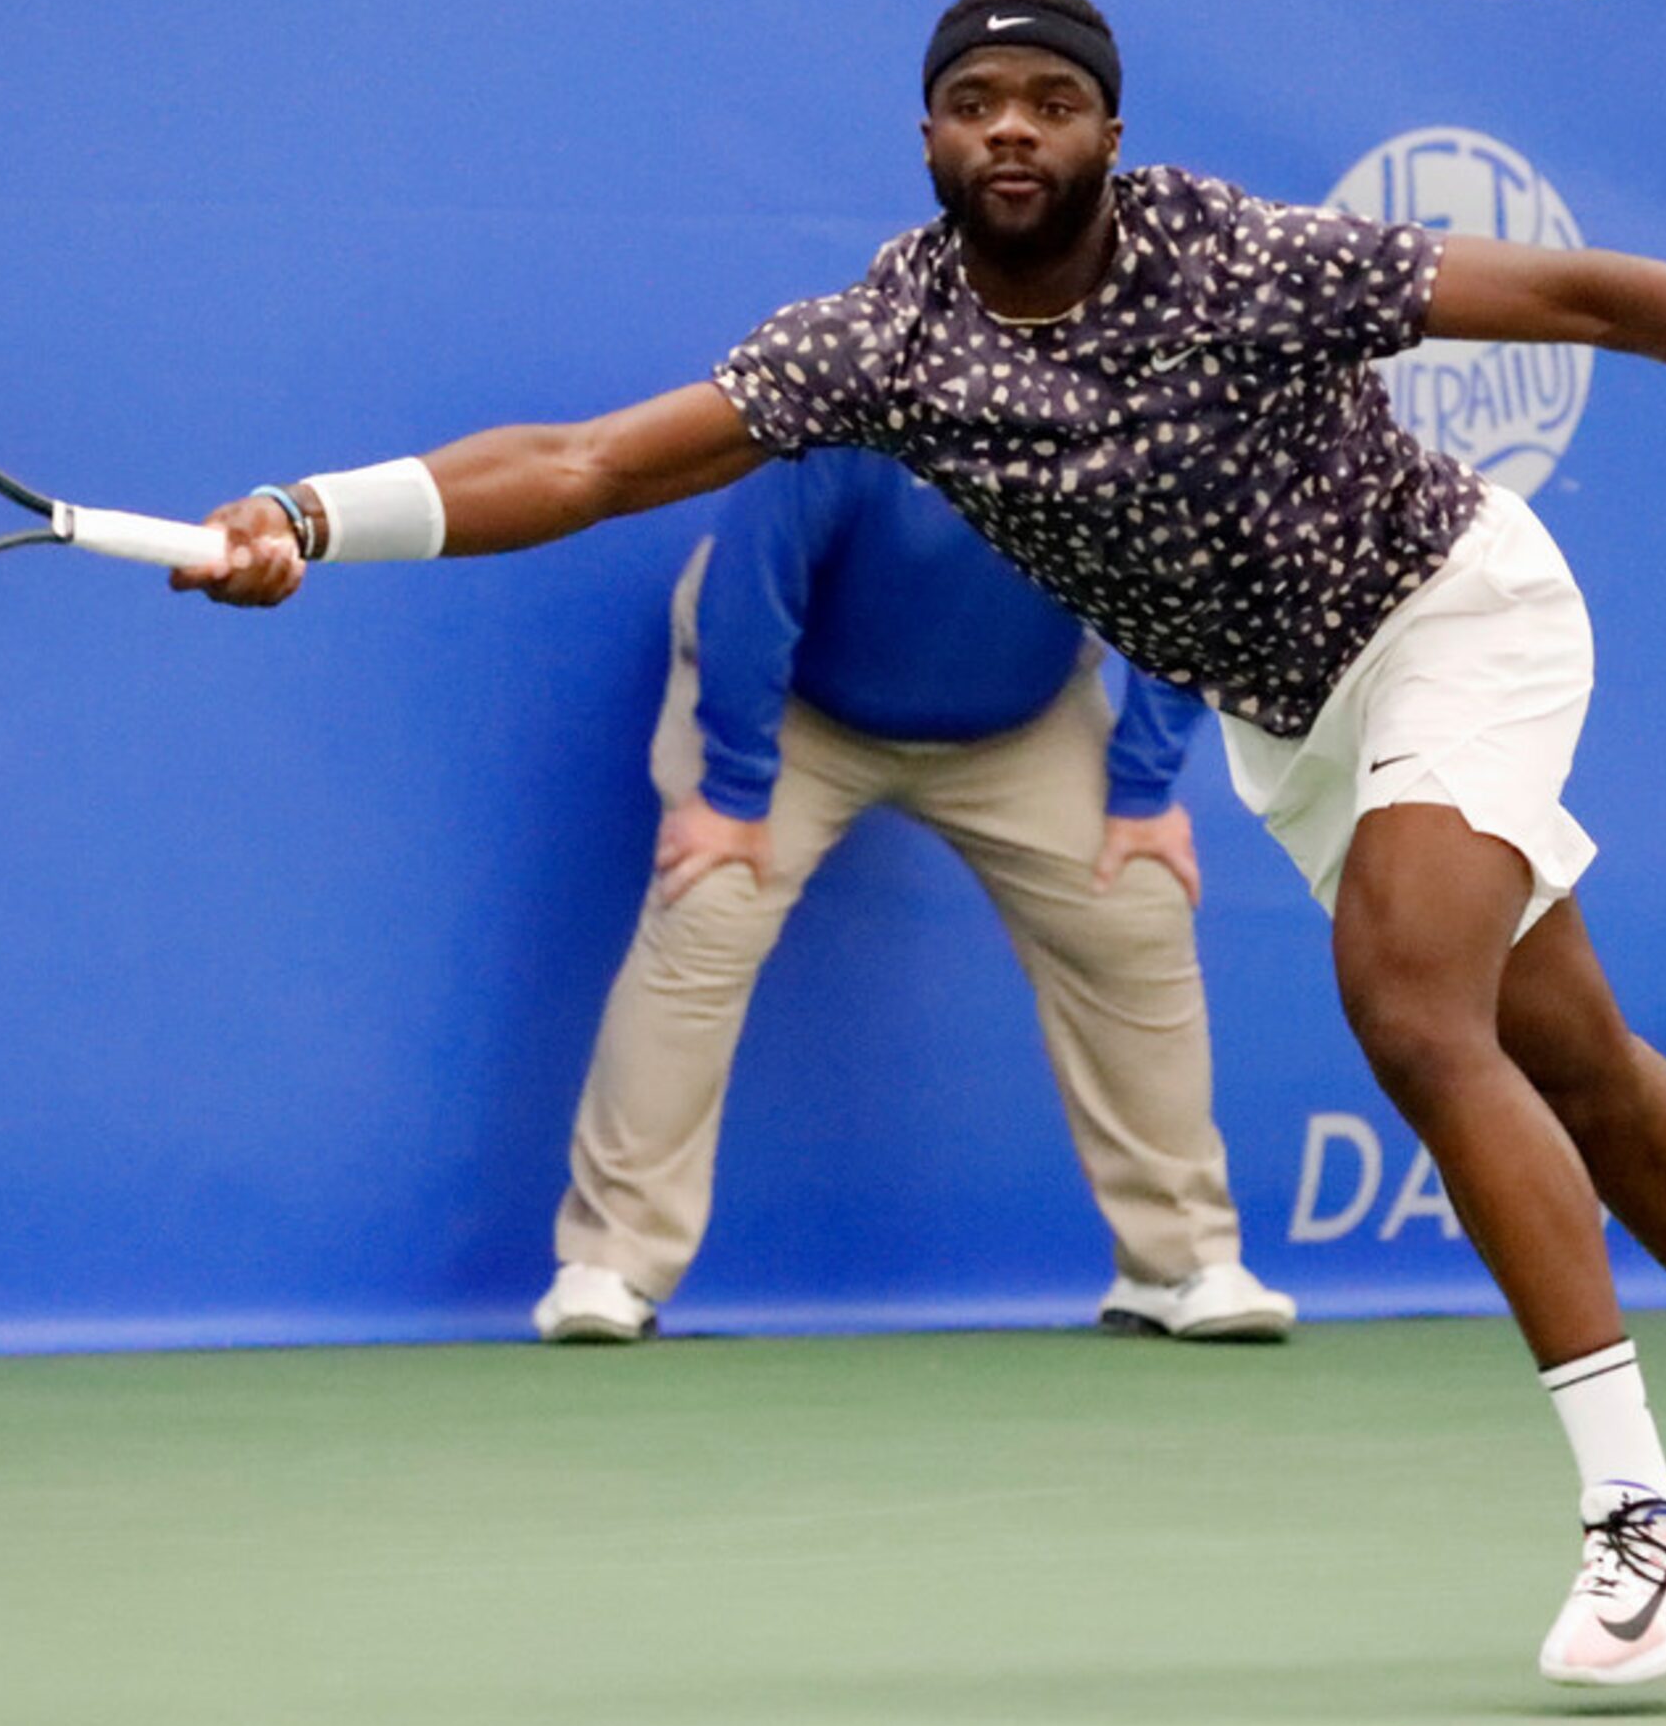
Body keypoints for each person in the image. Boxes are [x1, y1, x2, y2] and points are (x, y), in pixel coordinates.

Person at [178, 0, 1666, 1685]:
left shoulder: (1240, 260)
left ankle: (1645, 1523)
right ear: (929, 136)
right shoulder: (884, 339)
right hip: (1297, 717)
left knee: (1413, 1009)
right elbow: (584, 462)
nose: (1008, 128)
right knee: (1575, 1065)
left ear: (1108, 129)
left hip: (1453, 614)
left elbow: (1592, 293)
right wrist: (309, 510)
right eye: (971, 103)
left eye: (1048, 100)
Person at [536, 446, 1297, 1345]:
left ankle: (1179, 1264)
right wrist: (734, 792)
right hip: (789, 709)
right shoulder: (853, 384)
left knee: (1133, 908)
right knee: (706, 908)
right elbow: (750, 579)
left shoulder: (1139, 413)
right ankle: (611, 1266)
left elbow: (1184, 595)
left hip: (1026, 722)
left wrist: (1141, 792)